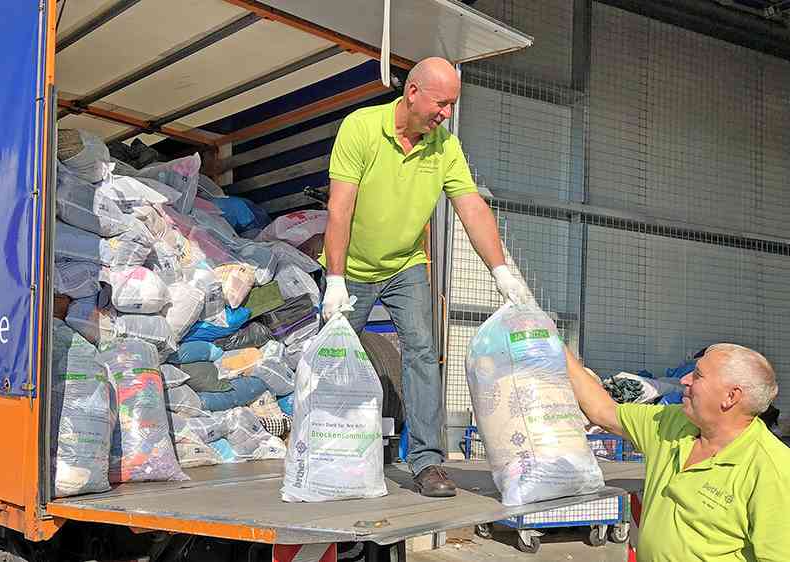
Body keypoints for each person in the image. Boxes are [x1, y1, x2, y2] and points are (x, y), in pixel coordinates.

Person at [320, 57, 531, 497]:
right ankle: (325, 449)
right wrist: (336, 278)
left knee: (422, 351)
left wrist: (502, 271)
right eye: (442, 103)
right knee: (330, 360)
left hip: (404, 265)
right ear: (412, 93)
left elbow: (471, 208)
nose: (446, 114)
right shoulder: (360, 128)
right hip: (353, 268)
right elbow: (340, 208)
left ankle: (427, 463)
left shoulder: (444, 146)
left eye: (452, 105)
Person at [565, 343, 790, 561]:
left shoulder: (773, 467)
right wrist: (552, 340)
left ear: (731, 397)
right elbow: (604, 411)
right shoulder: (672, 421)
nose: (684, 379)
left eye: (698, 375)